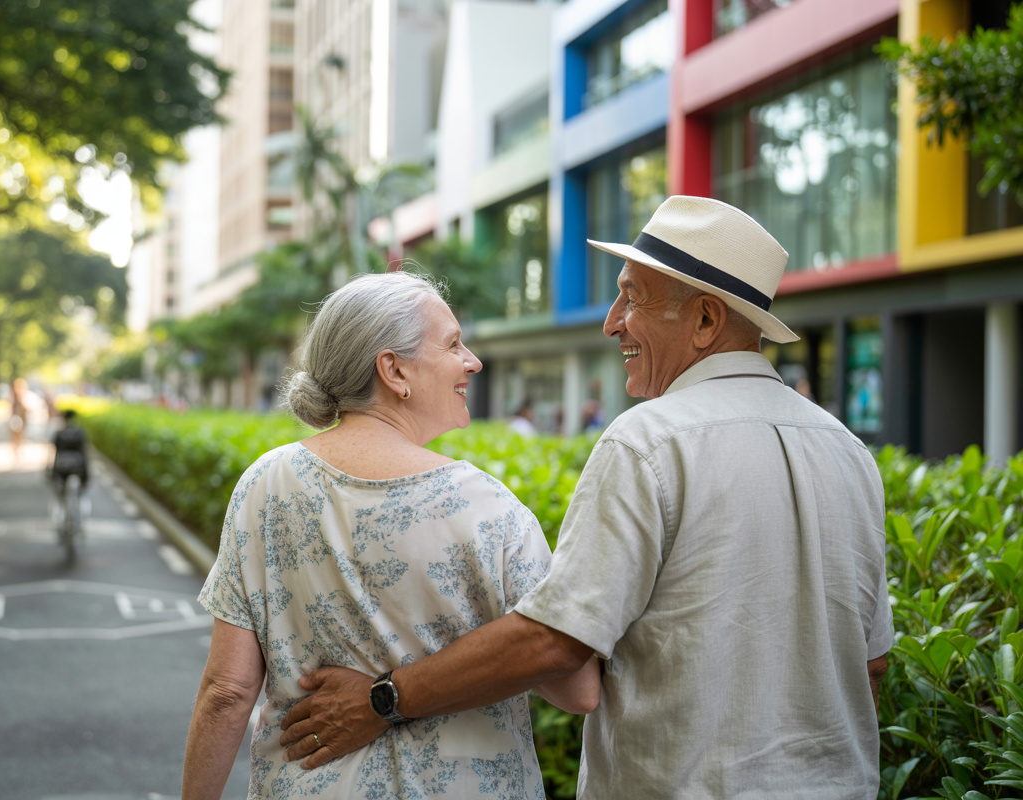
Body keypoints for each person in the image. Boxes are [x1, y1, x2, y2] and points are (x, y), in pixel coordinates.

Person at [278, 196, 893, 799]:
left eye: (633, 297)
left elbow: (557, 641)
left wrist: (382, 699)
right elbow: (871, 666)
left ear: (707, 320)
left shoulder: (648, 441)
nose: (612, 321)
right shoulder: (849, 452)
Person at [181, 272, 600, 800]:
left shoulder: (266, 485)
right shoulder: (487, 507)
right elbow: (577, 689)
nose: (472, 362)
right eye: (453, 344)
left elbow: (227, 691)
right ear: (394, 369)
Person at [48, 409, 89, 490]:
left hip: (61, 464)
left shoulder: (59, 433)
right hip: (78, 464)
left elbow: (54, 451)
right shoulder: (80, 433)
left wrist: (50, 470)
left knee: (59, 484)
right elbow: (84, 451)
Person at [7, 378, 28, 461]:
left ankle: (18, 450)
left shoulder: (23, 396)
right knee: (14, 435)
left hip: (22, 418)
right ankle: (15, 451)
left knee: (20, 435)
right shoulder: (13, 397)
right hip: (15, 418)